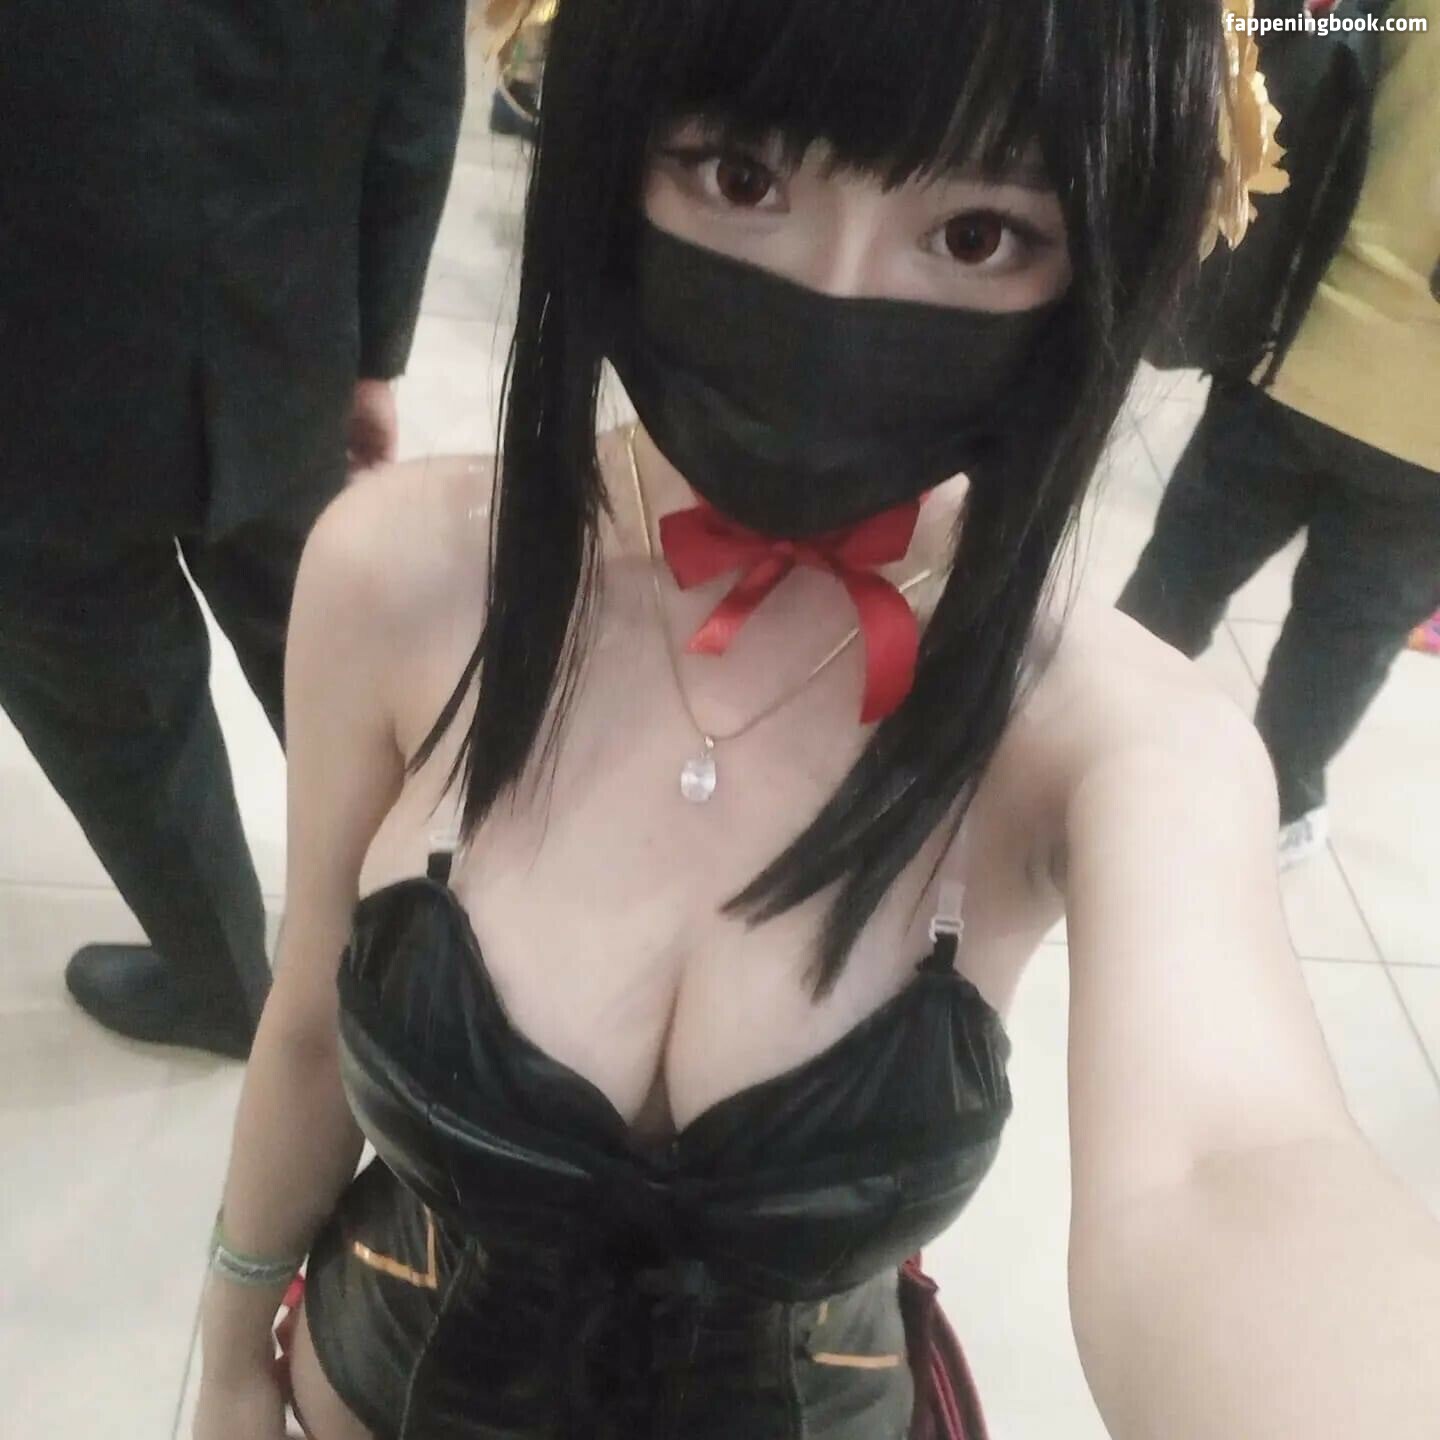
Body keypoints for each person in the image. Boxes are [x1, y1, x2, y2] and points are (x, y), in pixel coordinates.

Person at [195, 1, 1440, 1436]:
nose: (835, 305)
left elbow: (1234, 1168)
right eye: (740, 175)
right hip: (363, 1388)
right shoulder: (401, 577)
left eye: (978, 234)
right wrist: (229, 1354)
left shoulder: (1111, 737)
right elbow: (308, 1017)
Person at [0, 1, 467, 1057]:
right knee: (343, 664)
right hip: (286, 332)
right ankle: (446, 959)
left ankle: (223, 986)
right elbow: (416, 88)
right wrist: (373, 353)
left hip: (33, 356)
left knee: (114, 706)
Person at [1118, 0, 1440, 868]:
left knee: (1179, 577)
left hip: (1295, 350)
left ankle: (1085, 738)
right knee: (1345, 639)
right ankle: (1276, 804)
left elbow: (1297, 44)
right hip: (1420, 441)